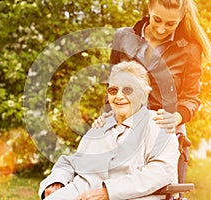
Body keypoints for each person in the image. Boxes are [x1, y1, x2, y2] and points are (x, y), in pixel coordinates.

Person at [93, 0, 211, 184]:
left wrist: (177, 117)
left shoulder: (190, 50)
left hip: (165, 134)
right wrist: (108, 116)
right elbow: (112, 85)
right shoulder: (123, 37)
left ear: (181, 17)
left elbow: (191, 98)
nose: (160, 29)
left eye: (170, 23)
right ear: (149, 8)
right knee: (112, 190)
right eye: (157, 19)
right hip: (125, 133)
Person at [39, 61, 179, 200]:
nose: (118, 96)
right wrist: (56, 181)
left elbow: (161, 171)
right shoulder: (100, 126)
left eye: (128, 90)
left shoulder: (158, 124)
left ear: (144, 94)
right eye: (113, 90)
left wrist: (109, 192)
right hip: (79, 193)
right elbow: (72, 162)